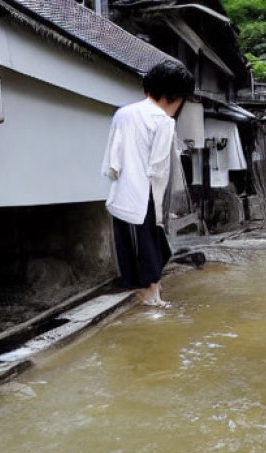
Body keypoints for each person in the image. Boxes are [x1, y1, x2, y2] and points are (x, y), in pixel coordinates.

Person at [102, 60, 195, 306]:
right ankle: (152, 298)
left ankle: (149, 291)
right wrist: (163, 206)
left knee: (135, 248)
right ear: (175, 96)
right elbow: (160, 168)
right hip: (147, 195)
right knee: (150, 246)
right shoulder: (163, 121)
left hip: (122, 192)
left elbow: (112, 159)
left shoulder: (123, 113)